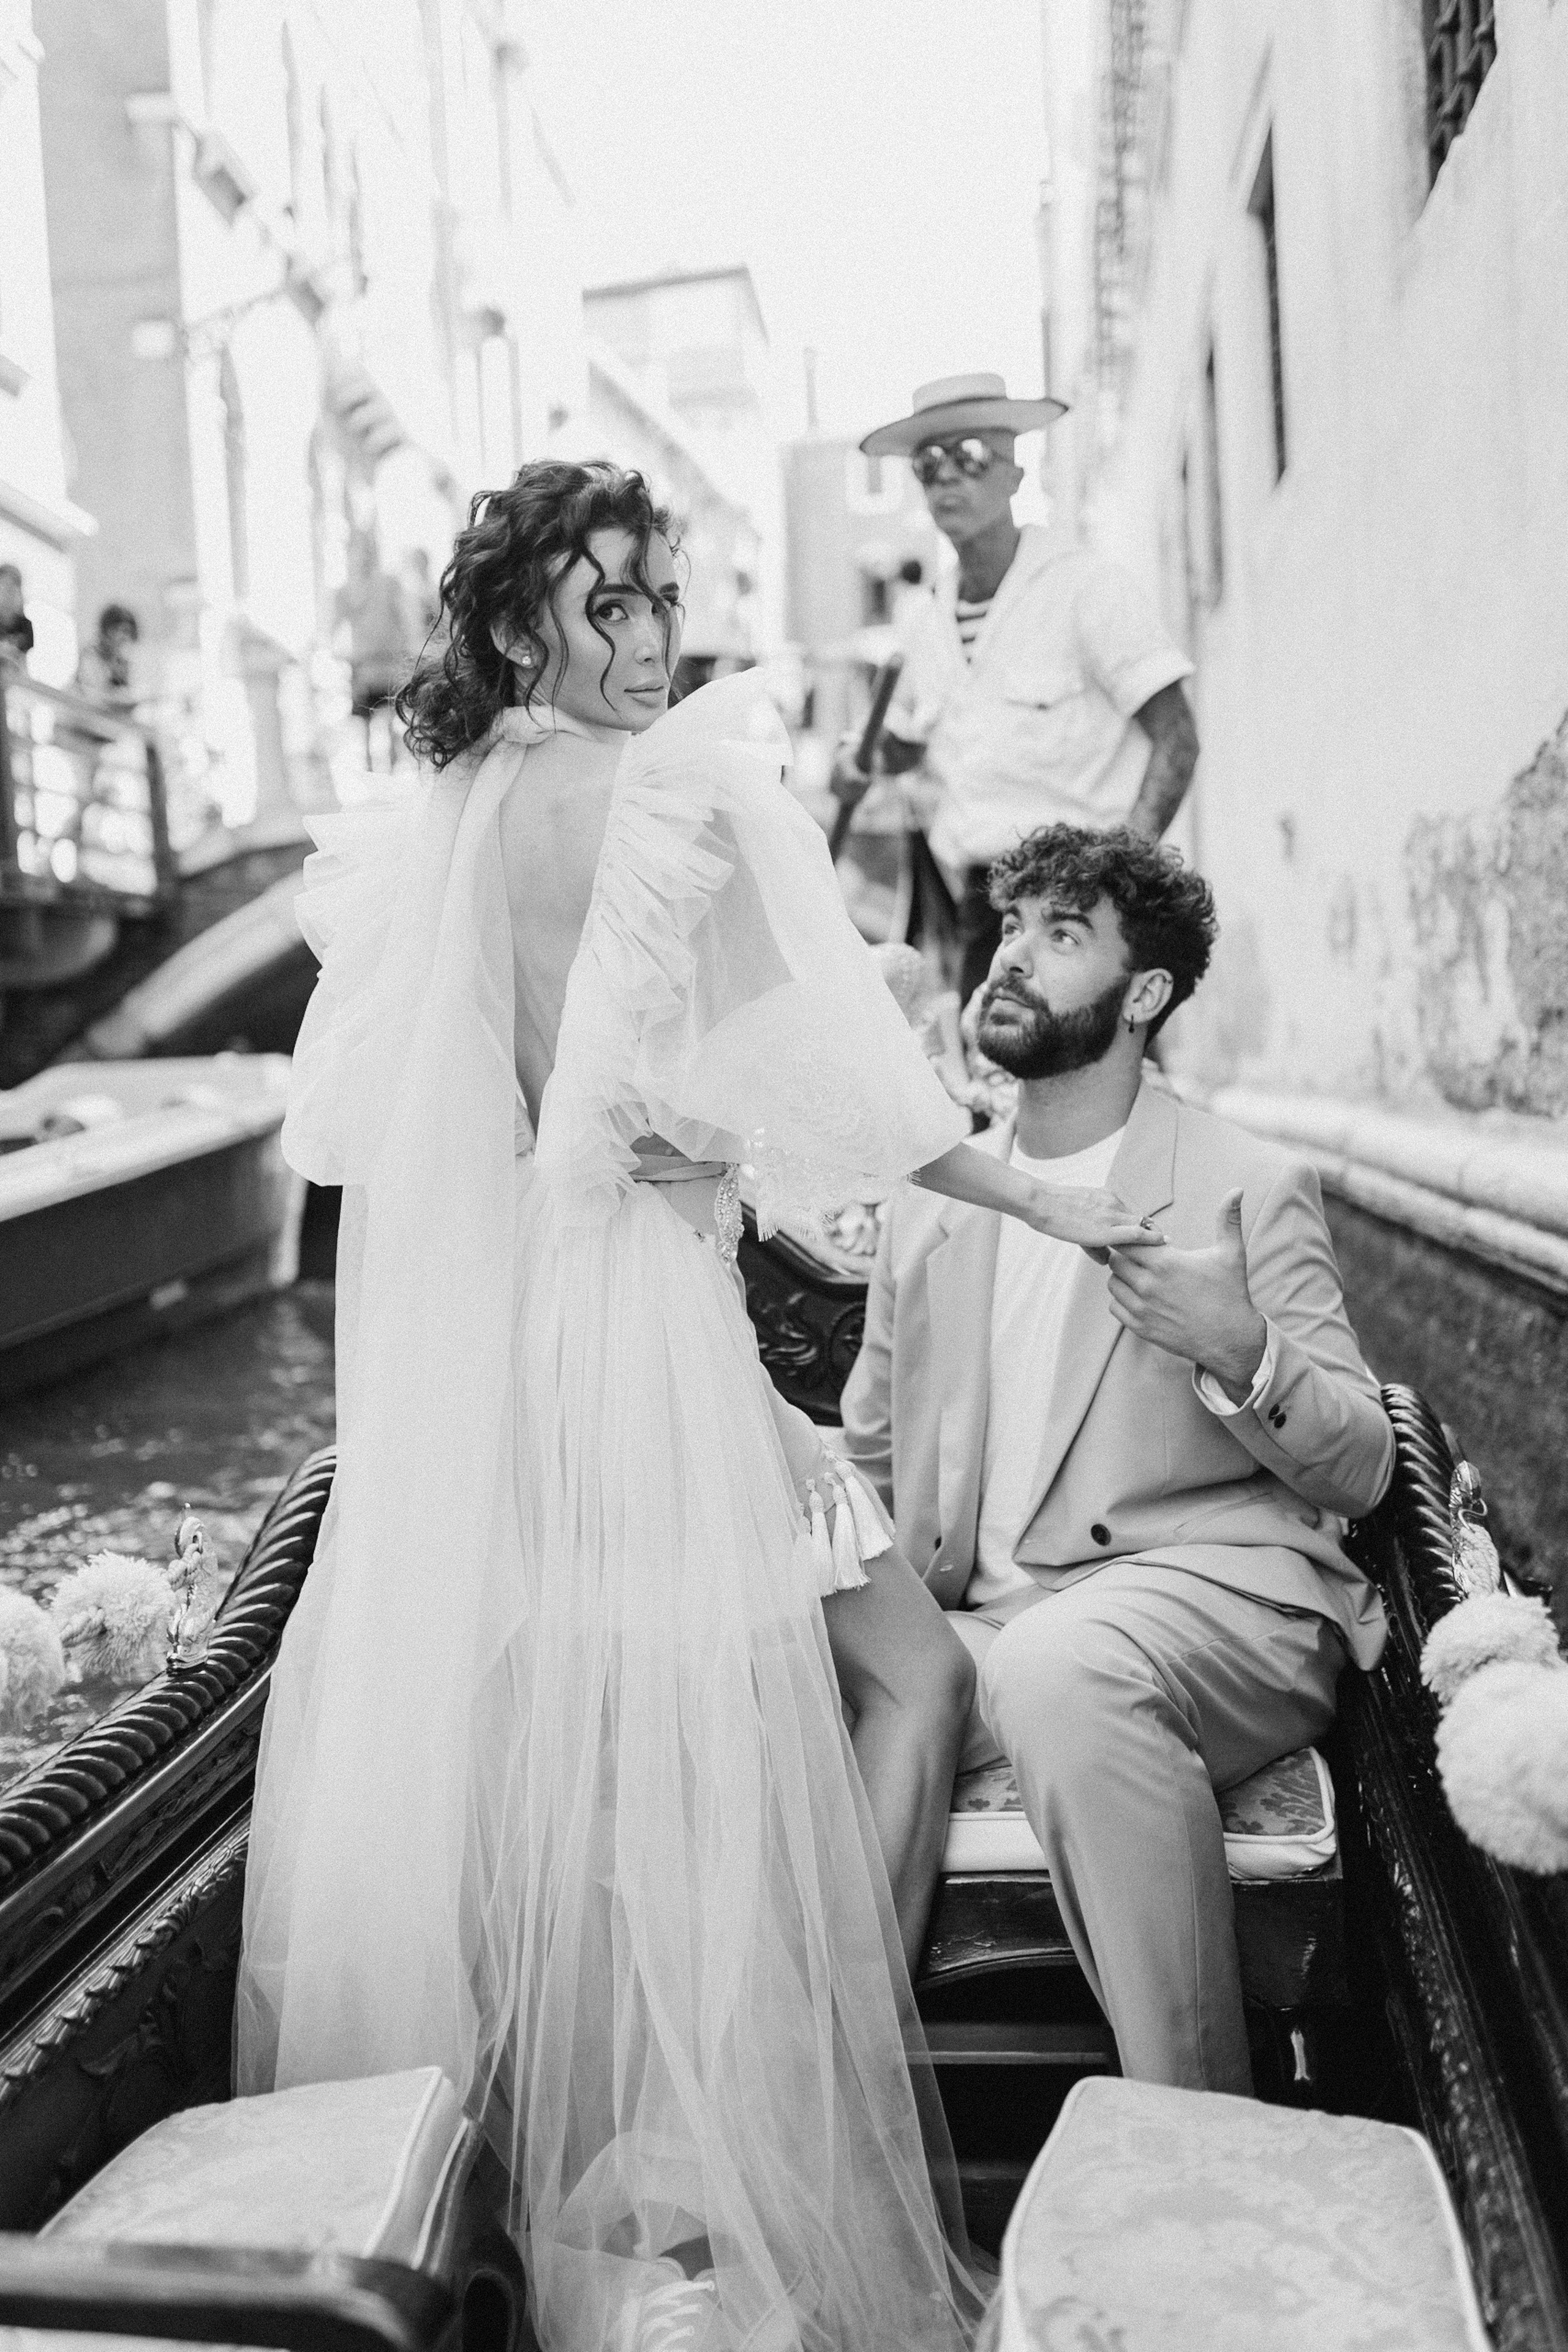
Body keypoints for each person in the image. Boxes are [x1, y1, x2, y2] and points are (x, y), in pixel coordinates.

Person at [235, 461, 1162, 2352]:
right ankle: (791, 2128)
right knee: (910, 1674)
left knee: (585, 1778)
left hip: (515, 1367)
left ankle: (596, 2204)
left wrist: (731, 1085)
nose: (651, 633)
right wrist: (1058, 1195)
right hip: (656, 1349)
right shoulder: (680, 789)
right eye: (605, 601)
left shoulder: (452, 816)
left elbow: (476, 1118)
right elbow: (867, 1107)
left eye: (658, 591)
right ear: (519, 626)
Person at [840, 823, 1395, 2097]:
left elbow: (1361, 1467)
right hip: (978, 1625)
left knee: (1063, 1662)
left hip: (1210, 1597)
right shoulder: (937, 1200)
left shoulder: (1243, 1182)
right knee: (728, 1678)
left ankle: (1196, 2124)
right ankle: (815, 2116)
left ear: (1143, 995)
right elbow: (872, 1460)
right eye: (1013, 926)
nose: (1010, 958)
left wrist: (1241, 1351)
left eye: (1061, 934)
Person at [834, 374, 1200, 1005]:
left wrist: (1116, 885)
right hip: (984, 912)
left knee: (1103, 1095)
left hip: (1088, 903)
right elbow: (915, 742)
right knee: (990, 1091)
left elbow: (1177, 741)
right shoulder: (921, 620)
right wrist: (864, 759)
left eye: (970, 456)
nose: (948, 477)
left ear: (1013, 477)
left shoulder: (1086, 589)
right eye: (928, 464)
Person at [74, 603, 140, 703]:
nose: (126, 638)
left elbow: (124, 694)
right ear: (108, 630)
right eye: (123, 631)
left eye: (129, 633)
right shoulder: (90, 657)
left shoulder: (120, 663)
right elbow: (91, 695)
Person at [0, 564, 34, 672]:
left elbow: (23, 664)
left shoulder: (25, 625)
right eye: (4, 586)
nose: (7, 593)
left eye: (12, 587)